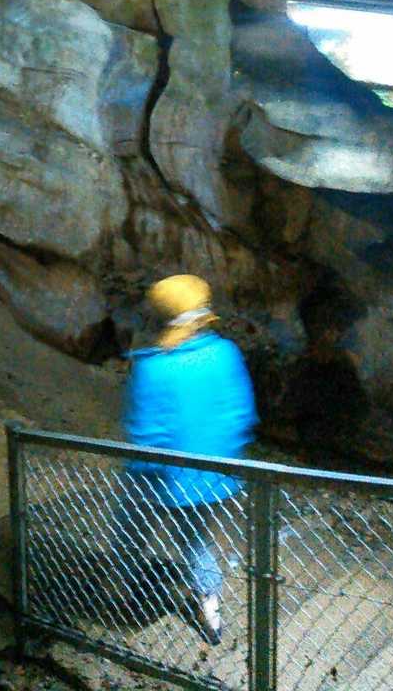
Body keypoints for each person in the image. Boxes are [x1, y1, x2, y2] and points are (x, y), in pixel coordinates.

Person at [120, 274, 257, 646]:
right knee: (195, 541)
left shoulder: (154, 366)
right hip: (211, 477)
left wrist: (144, 471)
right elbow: (241, 413)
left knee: (130, 530)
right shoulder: (225, 354)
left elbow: (144, 430)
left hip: (159, 477)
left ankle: (122, 589)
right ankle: (210, 607)